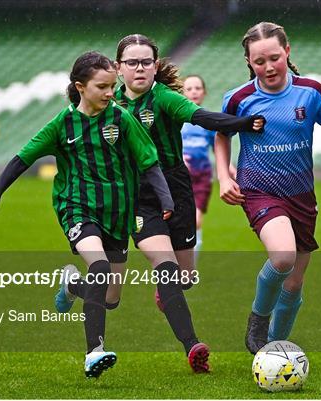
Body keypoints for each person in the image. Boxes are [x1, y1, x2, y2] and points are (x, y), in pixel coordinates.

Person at [0, 51, 173, 378]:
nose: (111, 93)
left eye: (112, 86)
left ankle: (71, 286)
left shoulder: (121, 118)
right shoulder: (62, 124)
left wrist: (166, 200)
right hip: (77, 208)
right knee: (100, 266)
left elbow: (149, 161)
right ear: (81, 87)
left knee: (110, 297)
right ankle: (94, 352)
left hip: (117, 213)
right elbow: (22, 159)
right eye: (103, 87)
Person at [114, 34, 265, 372]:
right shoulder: (109, 106)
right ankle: (193, 347)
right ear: (118, 67)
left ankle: (167, 292)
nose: (139, 68)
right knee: (165, 270)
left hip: (177, 188)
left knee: (185, 278)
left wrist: (242, 124)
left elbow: (202, 118)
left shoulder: (165, 98)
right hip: (138, 197)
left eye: (146, 62)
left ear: (155, 66)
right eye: (132, 62)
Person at [214, 22, 321, 354]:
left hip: (301, 196)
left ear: (288, 52)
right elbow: (222, 135)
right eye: (259, 61)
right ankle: (258, 320)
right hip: (258, 191)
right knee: (282, 258)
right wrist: (225, 177)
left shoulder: (311, 92)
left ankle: (274, 349)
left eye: (274, 58)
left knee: (294, 283)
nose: (268, 67)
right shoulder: (239, 98)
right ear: (249, 62)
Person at [181, 75, 236, 261]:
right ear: (181, 93)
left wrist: (233, 173)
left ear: (204, 92)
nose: (194, 92)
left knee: (195, 221)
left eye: (197, 88)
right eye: (189, 89)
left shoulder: (208, 122)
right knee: (176, 223)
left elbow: (219, 151)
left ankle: (190, 269)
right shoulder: (174, 121)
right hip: (177, 178)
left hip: (201, 178)